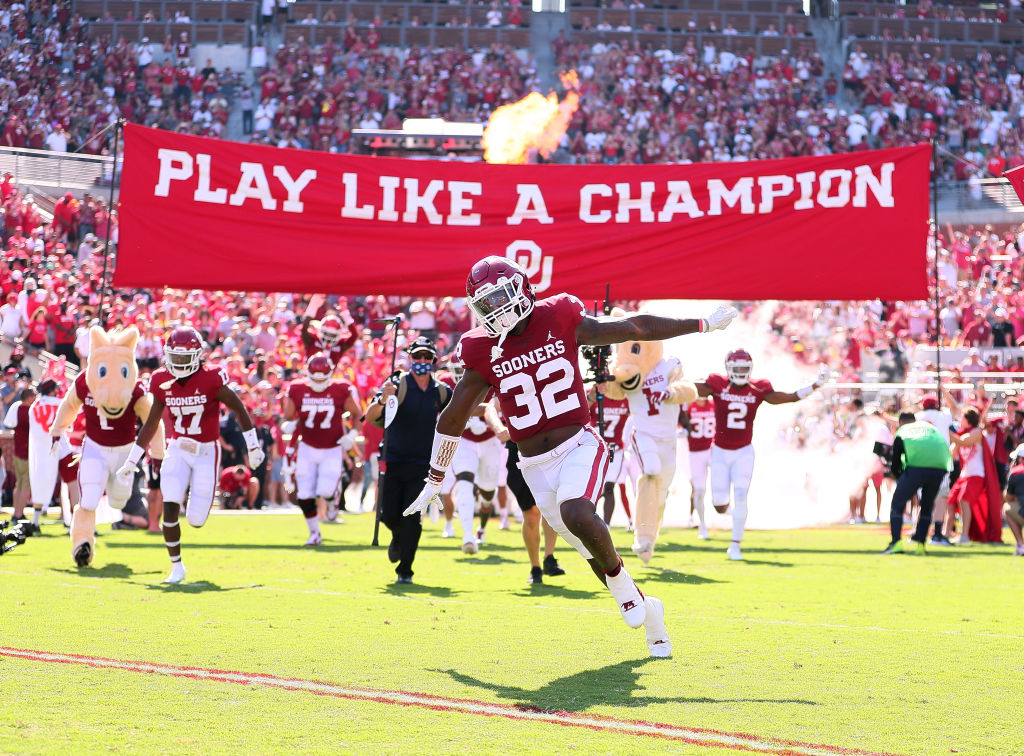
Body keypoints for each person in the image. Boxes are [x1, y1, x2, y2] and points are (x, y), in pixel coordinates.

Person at [404, 256, 738, 658]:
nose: (496, 311)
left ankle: (624, 591)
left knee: (579, 514)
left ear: (522, 289)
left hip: (579, 443)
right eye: (486, 305)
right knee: (590, 550)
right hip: (533, 466)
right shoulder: (482, 348)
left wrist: (700, 324)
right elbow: (453, 415)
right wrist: (435, 479)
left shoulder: (558, 316)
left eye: (500, 298)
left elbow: (634, 327)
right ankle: (650, 613)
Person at [115, 326, 264, 584]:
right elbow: (151, 423)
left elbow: (238, 408)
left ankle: (190, 528)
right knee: (170, 505)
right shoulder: (161, 380)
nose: (179, 362)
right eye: (175, 357)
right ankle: (177, 567)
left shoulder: (211, 378)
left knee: (195, 519)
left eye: (185, 358)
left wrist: (253, 446)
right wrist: (132, 459)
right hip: (178, 448)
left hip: (207, 451)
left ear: (197, 356)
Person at [693, 349, 830, 560]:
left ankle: (735, 546)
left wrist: (815, 385)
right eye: (736, 368)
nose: (740, 372)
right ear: (728, 368)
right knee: (719, 504)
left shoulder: (758, 388)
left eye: (743, 368)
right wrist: (671, 378)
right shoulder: (717, 384)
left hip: (744, 452)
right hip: (719, 451)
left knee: (741, 495)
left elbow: (790, 397)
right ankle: (737, 517)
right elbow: (691, 390)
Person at [364, 336, 451, 584]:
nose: (422, 361)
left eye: (427, 357)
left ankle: (405, 570)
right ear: (410, 358)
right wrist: (383, 398)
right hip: (392, 460)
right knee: (388, 515)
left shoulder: (441, 390)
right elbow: (370, 416)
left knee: (412, 518)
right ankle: (398, 538)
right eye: (417, 357)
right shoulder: (396, 383)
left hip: (422, 465)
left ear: (433, 360)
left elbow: (461, 408)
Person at [283, 352, 361, 545]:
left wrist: (351, 435)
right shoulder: (297, 388)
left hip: (332, 448)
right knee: (304, 494)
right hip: (307, 447)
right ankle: (314, 533)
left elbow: (359, 415)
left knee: (325, 491)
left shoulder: (341, 389)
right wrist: (290, 424)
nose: (319, 382)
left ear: (331, 374)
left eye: (323, 378)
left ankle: (333, 496)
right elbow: (288, 416)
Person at [882, 412, 953, 554]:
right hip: (940, 467)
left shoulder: (902, 431)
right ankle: (921, 546)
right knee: (926, 506)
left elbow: (895, 463)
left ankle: (896, 543)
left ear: (901, 423)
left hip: (917, 468)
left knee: (897, 504)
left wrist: (900, 477)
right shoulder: (928, 427)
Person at [680, 395, 715, 539]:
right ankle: (702, 525)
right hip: (694, 453)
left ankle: (725, 510)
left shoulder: (714, 403)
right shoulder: (688, 405)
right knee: (699, 491)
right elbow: (679, 420)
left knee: (721, 483)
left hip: (713, 449)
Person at [1004, 445, 1024, 556]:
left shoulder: (1016, 472)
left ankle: (1021, 545)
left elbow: (1008, 498)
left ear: (1020, 459)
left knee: (1007, 508)